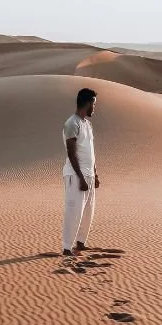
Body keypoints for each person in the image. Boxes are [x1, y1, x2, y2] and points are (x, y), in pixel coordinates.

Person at [62, 87, 100, 256]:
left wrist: (95, 174)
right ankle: (66, 247)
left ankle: (81, 242)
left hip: (89, 175)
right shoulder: (72, 123)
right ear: (87, 103)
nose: (94, 108)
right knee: (74, 210)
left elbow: (91, 150)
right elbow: (71, 152)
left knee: (88, 212)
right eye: (94, 104)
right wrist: (81, 178)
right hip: (76, 175)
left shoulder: (87, 124)